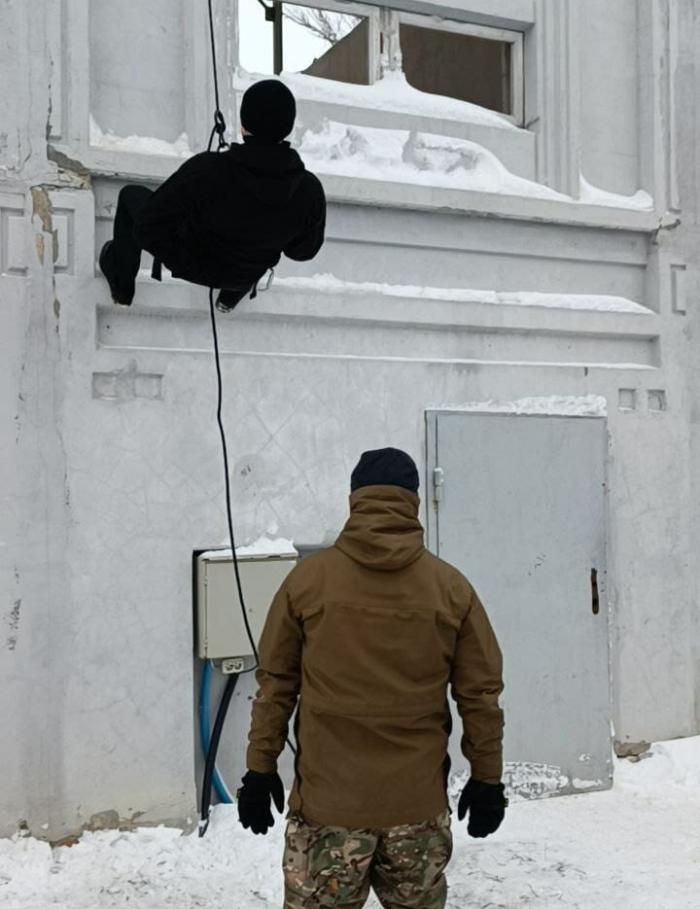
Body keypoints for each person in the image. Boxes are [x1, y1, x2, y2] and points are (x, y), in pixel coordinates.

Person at [238, 447, 506, 909]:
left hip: (327, 811)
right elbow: (480, 695)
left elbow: (276, 684)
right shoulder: (451, 589)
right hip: (416, 809)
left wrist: (259, 769)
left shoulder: (307, 582)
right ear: (414, 501)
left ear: (354, 500)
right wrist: (487, 780)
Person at [98, 79, 326, 312]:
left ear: (243, 126)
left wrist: (180, 254)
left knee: (131, 196)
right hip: (246, 274)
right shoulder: (309, 189)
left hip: (194, 265)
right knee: (255, 241)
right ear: (288, 127)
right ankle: (228, 299)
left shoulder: (207, 170)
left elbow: (148, 228)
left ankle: (122, 288)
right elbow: (302, 251)